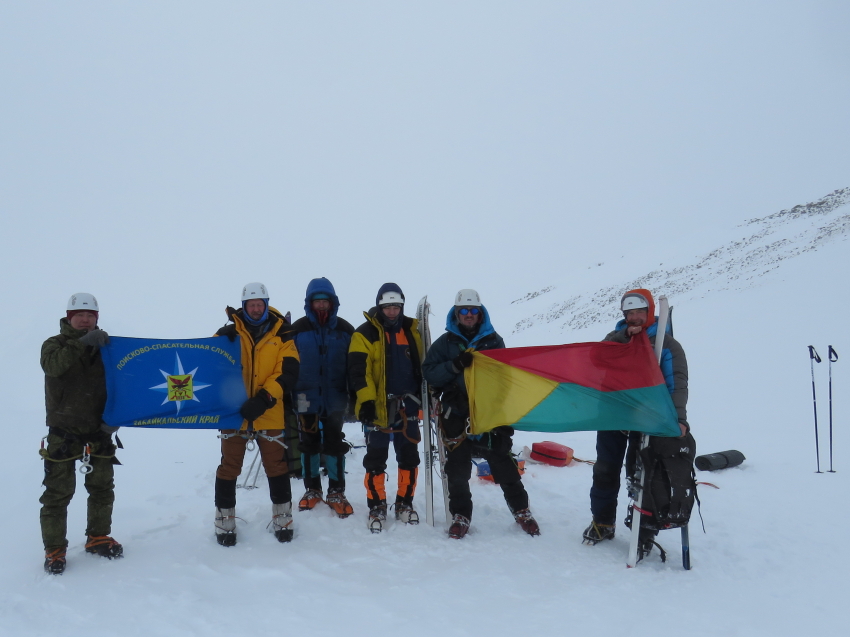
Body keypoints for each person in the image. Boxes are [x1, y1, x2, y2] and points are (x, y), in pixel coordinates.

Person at [422, 289, 540, 539]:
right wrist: (454, 366)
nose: (468, 315)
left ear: (480, 312)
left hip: (489, 412)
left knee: (503, 463)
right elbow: (430, 373)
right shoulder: (445, 344)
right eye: (463, 310)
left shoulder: (493, 341)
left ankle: (522, 510)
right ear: (456, 313)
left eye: (473, 310)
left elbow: (505, 377)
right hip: (456, 414)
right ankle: (461, 515)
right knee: (457, 470)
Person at [582, 288, 689, 556]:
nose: (634, 318)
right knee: (605, 470)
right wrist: (622, 339)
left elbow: (677, 385)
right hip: (611, 415)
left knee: (643, 475)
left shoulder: (666, 344)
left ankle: (644, 531)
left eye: (639, 312)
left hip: (647, 419)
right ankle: (603, 522)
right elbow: (597, 358)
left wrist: (679, 419)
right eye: (629, 313)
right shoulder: (615, 338)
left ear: (650, 312)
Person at [40, 293, 122, 575]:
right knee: (57, 494)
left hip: (98, 430)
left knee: (102, 489)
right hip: (64, 432)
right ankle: (55, 551)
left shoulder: (107, 348)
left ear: (96, 318)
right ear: (68, 317)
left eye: (90, 315)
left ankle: (98, 537)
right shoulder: (55, 344)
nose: (85, 319)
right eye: (80, 315)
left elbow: (122, 384)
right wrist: (80, 343)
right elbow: (53, 367)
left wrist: (116, 419)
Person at [214, 282, 300, 545]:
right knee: (229, 467)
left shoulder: (283, 333)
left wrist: (265, 398)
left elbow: (289, 370)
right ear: (244, 307)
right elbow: (212, 368)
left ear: (266, 304)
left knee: (276, 466)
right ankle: (224, 519)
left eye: (259, 304)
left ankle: (283, 517)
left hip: (269, 410)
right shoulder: (226, 334)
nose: (255, 309)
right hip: (234, 412)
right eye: (251, 305)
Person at [349, 283, 424, 532]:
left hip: (408, 407)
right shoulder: (364, 333)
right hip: (378, 409)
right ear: (380, 307)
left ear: (401, 307)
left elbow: (423, 367)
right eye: (387, 307)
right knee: (375, 459)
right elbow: (359, 372)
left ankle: (404, 503)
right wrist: (367, 402)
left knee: (409, 457)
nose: (392, 311)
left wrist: (427, 398)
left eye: (396, 307)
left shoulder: (413, 332)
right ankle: (377, 505)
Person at [284, 277, 355, 517]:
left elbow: (355, 365)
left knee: (335, 443)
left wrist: (354, 394)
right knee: (309, 442)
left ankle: (336, 491)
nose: (321, 306)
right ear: (310, 304)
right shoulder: (297, 330)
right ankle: (312, 489)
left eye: (325, 302)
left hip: (335, 396)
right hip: (305, 396)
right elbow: (286, 364)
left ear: (333, 303)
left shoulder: (345, 330)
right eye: (317, 302)